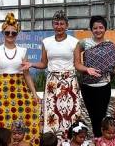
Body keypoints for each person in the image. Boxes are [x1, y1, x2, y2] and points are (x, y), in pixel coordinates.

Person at [26, 11, 87, 139]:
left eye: (62, 24)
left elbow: (77, 64)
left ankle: (71, 143)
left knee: (71, 112)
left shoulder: (74, 42)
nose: (59, 26)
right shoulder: (46, 42)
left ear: (67, 25)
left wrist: (87, 69)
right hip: (52, 82)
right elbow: (44, 64)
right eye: (56, 23)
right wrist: (31, 64)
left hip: (69, 81)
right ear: (53, 25)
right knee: (51, 113)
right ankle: (51, 145)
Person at [0, 13, 41, 146]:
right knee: (0, 118)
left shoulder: (23, 51)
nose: (10, 35)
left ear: (17, 34)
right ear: (3, 32)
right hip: (2, 88)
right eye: (7, 32)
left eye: (13, 33)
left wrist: (34, 93)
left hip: (19, 88)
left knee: (26, 115)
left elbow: (27, 74)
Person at [74, 15, 115, 138]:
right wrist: (87, 69)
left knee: (102, 114)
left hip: (104, 85)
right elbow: (77, 64)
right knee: (93, 115)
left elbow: (113, 67)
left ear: (105, 29)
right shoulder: (83, 43)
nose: (98, 30)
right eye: (95, 28)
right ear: (91, 29)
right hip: (87, 86)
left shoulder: (110, 45)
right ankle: (98, 140)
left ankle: (102, 139)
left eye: (101, 27)